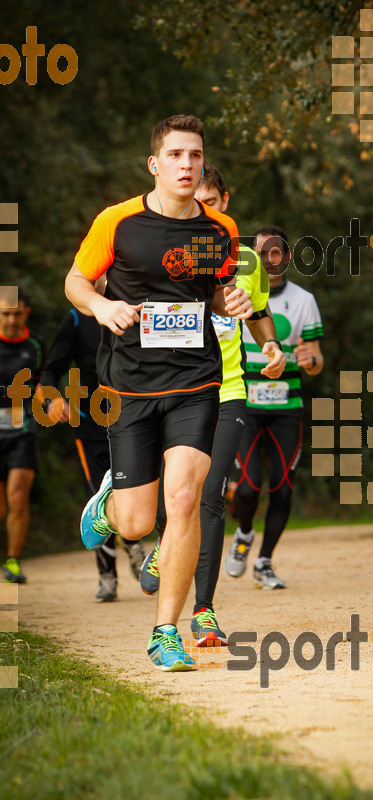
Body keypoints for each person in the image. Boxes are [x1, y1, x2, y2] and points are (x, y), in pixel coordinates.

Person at [64, 114, 253, 672]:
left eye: (195, 156)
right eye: (175, 156)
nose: (187, 166)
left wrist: (233, 303)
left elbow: (216, 294)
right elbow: (75, 280)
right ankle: (110, 500)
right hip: (129, 385)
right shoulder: (117, 221)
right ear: (155, 163)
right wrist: (101, 305)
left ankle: (165, 631)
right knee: (135, 525)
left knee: (187, 499)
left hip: (196, 381)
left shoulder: (222, 229)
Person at [139, 162, 285, 646]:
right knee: (172, 496)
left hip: (227, 392)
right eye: (198, 202)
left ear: (226, 202)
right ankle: (162, 541)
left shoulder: (246, 258)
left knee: (209, 498)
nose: (207, 210)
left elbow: (259, 312)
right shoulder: (165, 250)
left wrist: (270, 346)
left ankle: (203, 611)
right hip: (170, 390)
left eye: (214, 201)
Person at [225, 226, 324, 588]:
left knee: (282, 487)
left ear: (286, 256)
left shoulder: (304, 300)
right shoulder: (234, 291)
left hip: (288, 403)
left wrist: (311, 360)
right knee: (248, 488)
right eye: (261, 251)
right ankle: (245, 533)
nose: (269, 258)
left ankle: (264, 561)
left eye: (276, 251)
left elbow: (316, 359)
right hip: (245, 400)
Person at [39, 303, 146, 602]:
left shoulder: (132, 306)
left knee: (132, 489)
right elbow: (50, 371)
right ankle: (107, 576)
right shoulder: (75, 317)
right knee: (97, 496)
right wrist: (52, 399)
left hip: (132, 419)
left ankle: (134, 544)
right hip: (89, 424)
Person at [0, 289, 44, 583]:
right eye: (5, 313)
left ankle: (13, 561)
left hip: (22, 427)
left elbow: (42, 383)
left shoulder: (35, 346)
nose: (11, 319)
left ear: (26, 312)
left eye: (17, 313)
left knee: (17, 496)